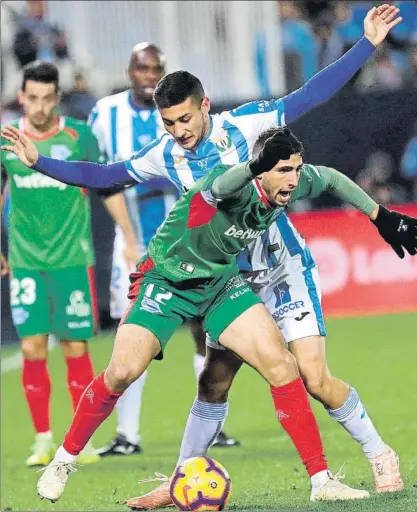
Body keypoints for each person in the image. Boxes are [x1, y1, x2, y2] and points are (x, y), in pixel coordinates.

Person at [1, 0, 405, 493]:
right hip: (222, 275)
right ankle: (172, 481)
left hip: (276, 267)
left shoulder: (247, 126)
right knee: (211, 380)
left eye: (186, 119)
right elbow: (103, 175)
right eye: (169, 123)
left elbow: (313, 95)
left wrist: (366, 44)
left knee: (312, 379)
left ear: (206, 104)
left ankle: (374, 454)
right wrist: (40, 161)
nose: (179, 131)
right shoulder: (165, 156)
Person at [5, 128, 385, 504]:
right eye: (282, 169)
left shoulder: (291, 182)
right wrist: (254, 166)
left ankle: (321, 481)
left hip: (219, 283)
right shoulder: (227, 180)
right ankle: (63, 461)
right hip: (166, 279)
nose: (293, 179)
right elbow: (220, 190)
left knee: (282, 365)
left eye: (296, 169)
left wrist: (377, 213)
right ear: (261, 169)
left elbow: (332, 178)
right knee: (122, 370)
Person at [89, 42, 238, 456]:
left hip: (189, 241)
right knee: (131, 333)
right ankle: (127, 435)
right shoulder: (105, 114)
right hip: (135, 239)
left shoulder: (178, 109)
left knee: (203, 331)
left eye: (156, 68)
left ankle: (213, 424)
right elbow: (104, 177)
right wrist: (128, 237)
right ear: (129, 70)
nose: (149, 75)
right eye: (142, 68)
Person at [0, 61, 137, 467]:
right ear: (21, 97)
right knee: (32, 346)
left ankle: (82, 441)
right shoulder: (7, 140)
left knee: (76, 346)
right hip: (26, 262)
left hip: (73, 260)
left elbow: (106, 186)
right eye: (31, 98)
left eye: (46, 98)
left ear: (57, 98)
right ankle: (42, 439)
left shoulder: (80, 136)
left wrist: (129, 238)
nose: (39, 107)